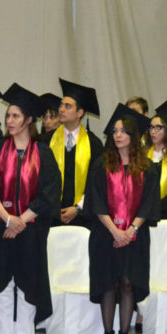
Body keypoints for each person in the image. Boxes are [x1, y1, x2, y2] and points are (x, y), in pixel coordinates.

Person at [0, 83, 61, 334]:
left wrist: (21, 220)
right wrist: (8, 218)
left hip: (31, 230)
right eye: (8, 116)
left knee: (27, 287)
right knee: (1, 284)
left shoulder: (43, 154)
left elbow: (49, 193)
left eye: (14, 116)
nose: (9, 121)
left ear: (28, 120)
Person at [86, 104, 159, 334]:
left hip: (134, 237)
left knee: (128, 284)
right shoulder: (101, 165)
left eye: (123, 131)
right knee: (109, 284)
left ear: (134, 135)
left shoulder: (147, 168)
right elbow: (95, 202)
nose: (117, 135)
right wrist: (115, 231)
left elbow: (149, 203)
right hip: (106, 235)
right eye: (115, 131)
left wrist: (131, 230)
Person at [42, 79, 104, 227]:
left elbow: (97, 184)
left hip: (83, 218)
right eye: (61, 105)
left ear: (80, 113)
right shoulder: (46, 141)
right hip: (50, 216)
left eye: (67, 106)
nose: (61, 110)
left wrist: (77, 208)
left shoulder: (94, 144)